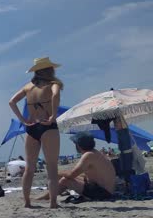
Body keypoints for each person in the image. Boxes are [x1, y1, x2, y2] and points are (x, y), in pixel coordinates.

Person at [9, 57, 63, 208]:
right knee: (52, 167)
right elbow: (55, 95)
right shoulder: (54, 84)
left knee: (29, 168)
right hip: (48, 126)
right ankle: (53, 202)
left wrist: (22, 119)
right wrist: (52, 115)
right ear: (49, 70)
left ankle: (27, 202)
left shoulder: (28, 87)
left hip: (31, 127)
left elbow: (11, 101)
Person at [36, 132, 115, 201]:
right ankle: (46, 196)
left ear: (79, 145)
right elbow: (82, 174)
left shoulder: (88, 155)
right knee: (67, 177)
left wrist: (55, 173)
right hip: (104, 190)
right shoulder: (95, 153)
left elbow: (71, 174)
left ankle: (45, 197)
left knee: (65, 180)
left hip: (102, 193)